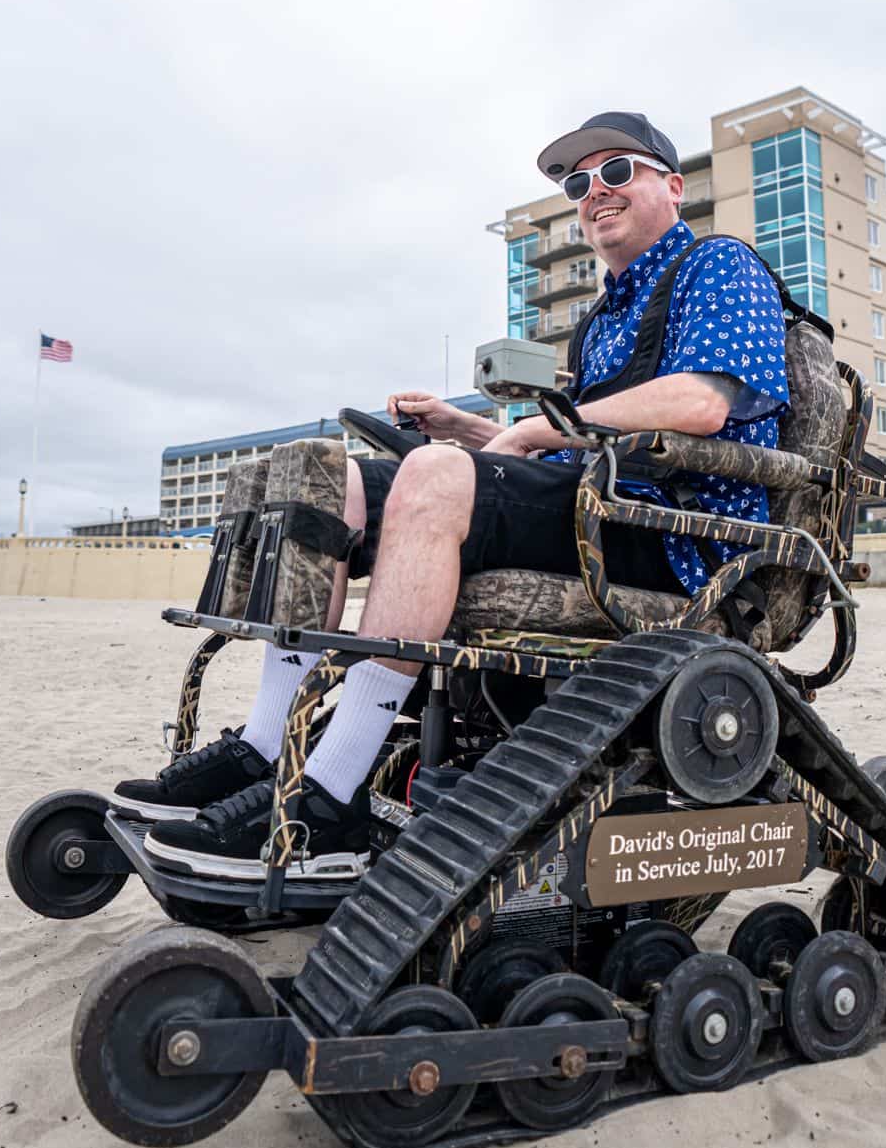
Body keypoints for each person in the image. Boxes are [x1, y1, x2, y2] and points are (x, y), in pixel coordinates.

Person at [133, 109, 791, 860]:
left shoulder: (719, 264)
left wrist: (531, 431)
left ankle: (332, 789)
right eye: (579, 184)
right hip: (594, 506)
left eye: (616, 171)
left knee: (434, 476)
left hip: (673, 534)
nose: (595, 192)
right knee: (323, 476)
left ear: (673, 188)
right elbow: (579, 442)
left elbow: (702, 401)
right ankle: (267, 745)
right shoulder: (601, 319)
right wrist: (467, 431)